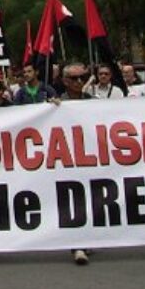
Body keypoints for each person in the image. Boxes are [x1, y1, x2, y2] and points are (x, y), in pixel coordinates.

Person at [54, 63, 93, 266]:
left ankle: (86, 239)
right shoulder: (56, 104)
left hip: (90, 159)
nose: (80, 82)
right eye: (74, 78)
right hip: (66, 160)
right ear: (65, 81)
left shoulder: (92, 102)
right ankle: (77, 243)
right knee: (73, 199)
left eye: (83, 77)